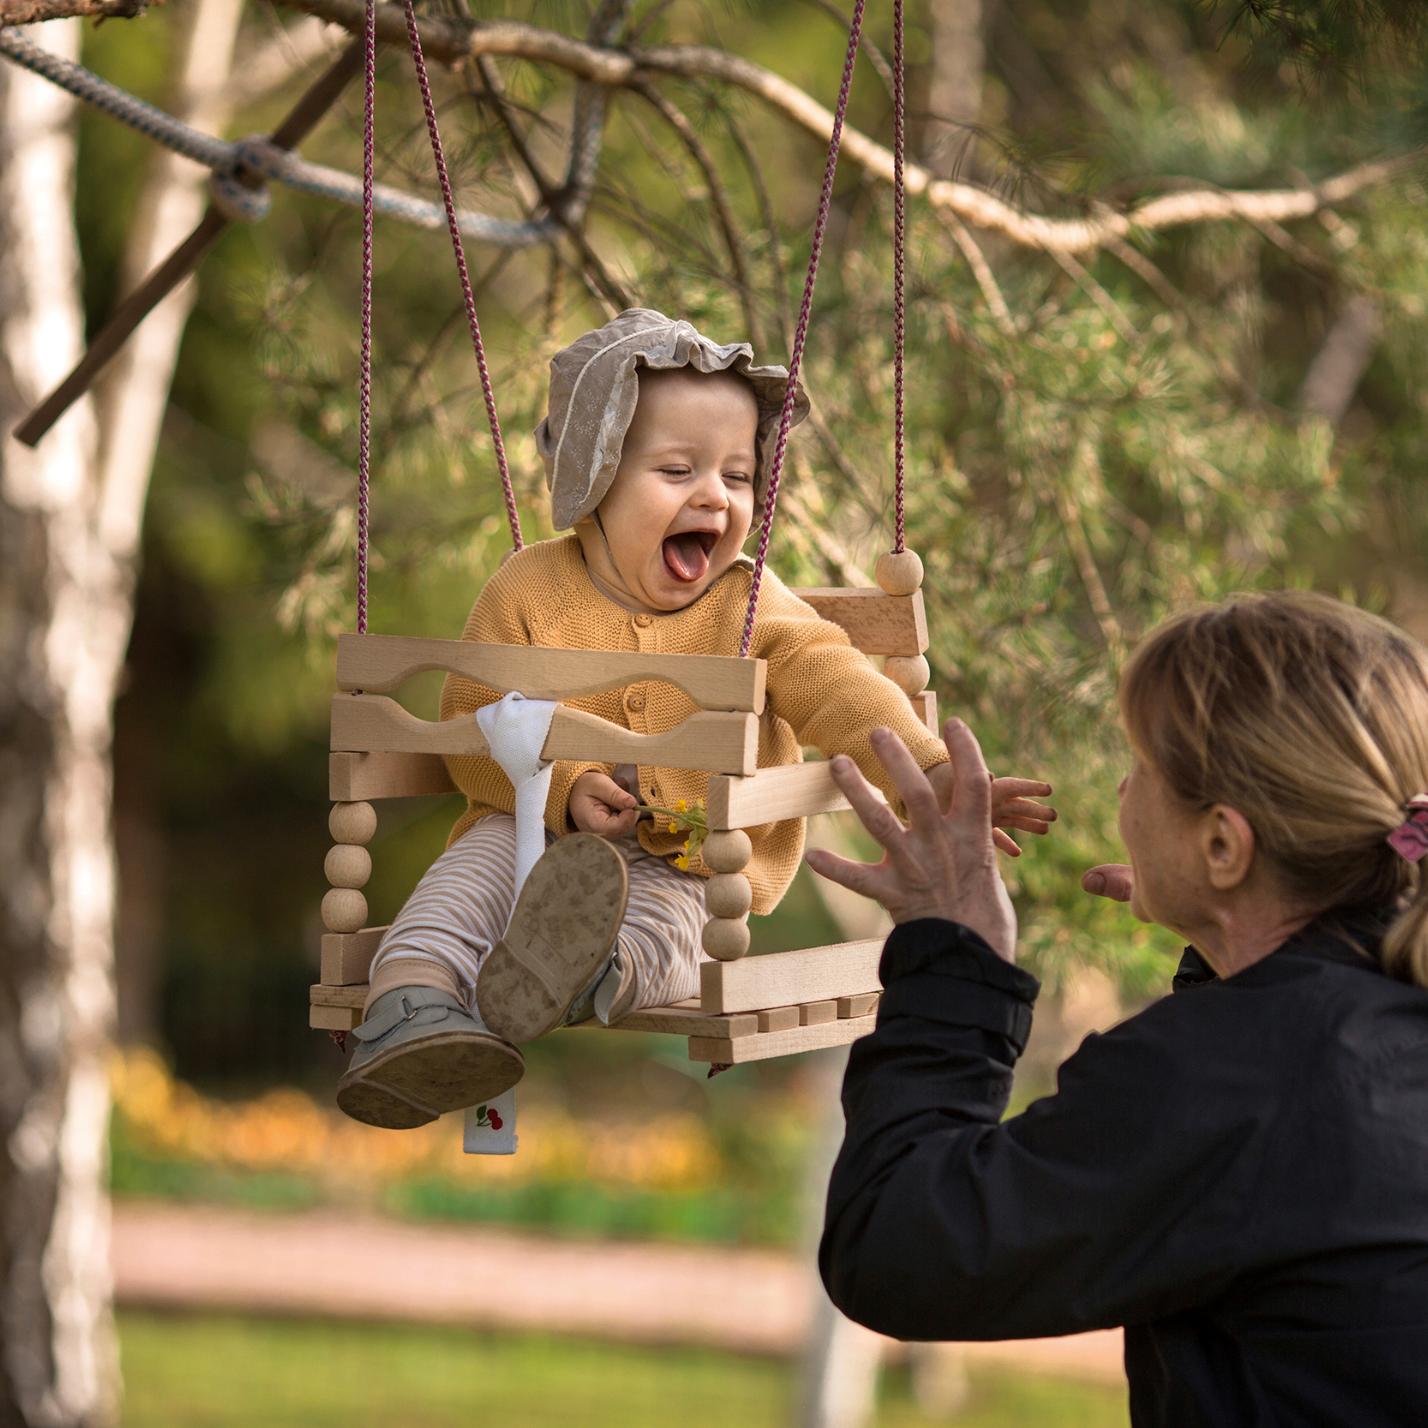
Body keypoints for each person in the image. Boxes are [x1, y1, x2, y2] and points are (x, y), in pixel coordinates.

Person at [336, 308, 1055, 1130]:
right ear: (596, 477)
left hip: (682, 863)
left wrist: (929, 774)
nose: (714, 495)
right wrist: (566, 788)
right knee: (461, 889)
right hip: (527, 826)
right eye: (678, 470)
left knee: (665, 936)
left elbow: (836, 684)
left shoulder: (750, 603)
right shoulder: (527, 587)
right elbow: (467, 717)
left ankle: (579, 968)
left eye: (738, 477)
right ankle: (410, 1011)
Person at [809, 591, 1428, 1427]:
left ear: (1222, 845)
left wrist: (951, 953)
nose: (1125, 790)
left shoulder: (1242, 1073)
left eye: (1141, 766)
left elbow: (899, 1247)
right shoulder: (1374, 1016)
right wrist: (1226, 935)